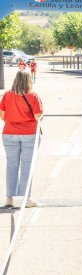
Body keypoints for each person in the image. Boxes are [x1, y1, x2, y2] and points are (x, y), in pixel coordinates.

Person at [0, 71, 43, 208]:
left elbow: (2, 116)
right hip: (29, 134)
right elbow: (38, 117)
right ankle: (26, 199)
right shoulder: (33, 96)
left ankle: (9, 198)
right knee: (26, 166)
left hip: (9, 133)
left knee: (11, 165)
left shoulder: (7, 95)